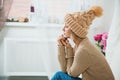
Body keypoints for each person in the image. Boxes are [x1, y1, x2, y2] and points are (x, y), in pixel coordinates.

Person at [51, 6, 114, 80]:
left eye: (66, 26)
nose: (63, 29)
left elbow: (71, 73)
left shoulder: (83, 50)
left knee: (58, 75)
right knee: (59, 74)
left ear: (74, 30)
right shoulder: (81, 44)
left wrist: (69, 50)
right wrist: (61, 46)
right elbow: (64, 70)